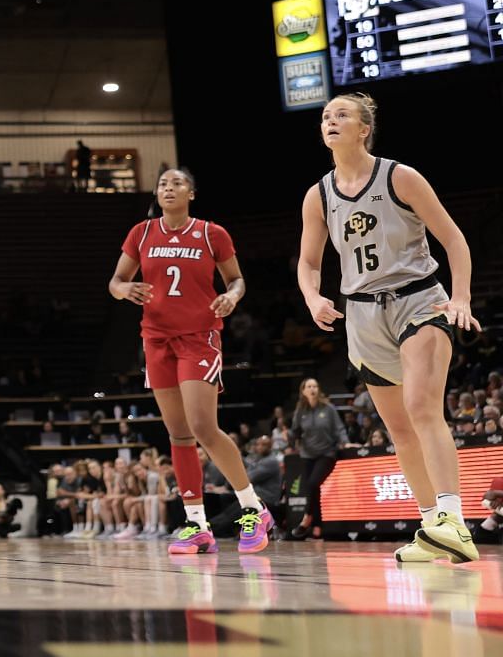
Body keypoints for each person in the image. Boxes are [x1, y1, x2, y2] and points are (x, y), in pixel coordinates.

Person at [299, 92, 481, 564]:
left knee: (422, 408)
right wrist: (313, 296)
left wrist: (459, 297)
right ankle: (430, 528)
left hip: (418, 299)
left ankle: (454, 521)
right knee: (399, 429)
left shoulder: (400, 176)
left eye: (342, 115)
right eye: (325, 116)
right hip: (361, 314)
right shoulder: (318, 195)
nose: (330, 121)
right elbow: (308, 262)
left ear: (364, 130)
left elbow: (455, 240)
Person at [109, 167, 273, 555]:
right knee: (178, 434)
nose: (168, 188)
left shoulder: (211, 233)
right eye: (163, 184)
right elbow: (115, 282)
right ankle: (195, 523)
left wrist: (232, 297)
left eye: (177, 183)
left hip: (199, 337)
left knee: (203, 426)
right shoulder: (142, 232)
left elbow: (236, 280)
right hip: (156, 339)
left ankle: (254, 508)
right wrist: (124, 289)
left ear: (192, 193)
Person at [288, 376, 346, 540]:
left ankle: (306, 519)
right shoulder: (300, 411)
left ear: (318, 389)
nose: (312, 389)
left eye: (315, 386)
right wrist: (291, 438)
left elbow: (339, 428)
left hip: (327, 453)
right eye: (309, 386)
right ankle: (318, 528)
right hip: (307, 454)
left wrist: (346, 442)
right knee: (315, 489)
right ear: (304, 391)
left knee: (313, 483)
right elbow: (295, 431)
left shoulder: (328, 409)